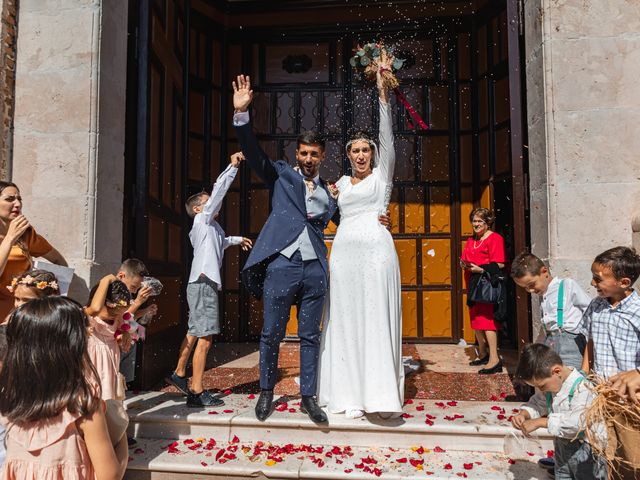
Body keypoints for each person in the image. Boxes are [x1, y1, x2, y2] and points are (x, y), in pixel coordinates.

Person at [233, 74, 343, 424]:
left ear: (322, 156)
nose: (309, 158)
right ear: (297, 154)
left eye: (314, 154)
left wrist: (376, 220)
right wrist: (242, 115)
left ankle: (308, 397)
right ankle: (267, 392)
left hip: (315, 270)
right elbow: (253, 154)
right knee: (272, 333)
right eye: (304, 153)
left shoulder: (329, 191)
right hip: (281, 264)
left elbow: (347, 220)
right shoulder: (281, 174)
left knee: (310, 335)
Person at [316, 58, 404, 419]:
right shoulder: (338, 186)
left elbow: (388, 135)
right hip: (344, 255)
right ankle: (347, 390)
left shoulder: (382, 176)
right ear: (348, 155)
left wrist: (383, 93)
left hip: (377, 250)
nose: (361, 155)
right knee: (345, 318)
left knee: (375, 317)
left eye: (366, 150)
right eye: (355, 151)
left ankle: (380, 395)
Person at [0, 296, 128, 479]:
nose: (89, 333)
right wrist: (121, 433)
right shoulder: (82, 406)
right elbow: (111, 475)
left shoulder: (11, 402)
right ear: (70, 347)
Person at [166, 152, 252, 408]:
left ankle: (179, 373)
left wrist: (237, 240)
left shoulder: (213, 229)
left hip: (202, 283)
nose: (213, 204)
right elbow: (218, 192)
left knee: (195, 332)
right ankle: (196, 390)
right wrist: (232, 167)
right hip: (204, 283)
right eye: (207, 202)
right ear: (197, 209)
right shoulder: (202, 221)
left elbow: (221, 244)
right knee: (206, 338)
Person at [581, 246, 640, 478]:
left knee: (634, 458)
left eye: (598, 278)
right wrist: (584, 374)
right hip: (602, 396)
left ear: (624, 282)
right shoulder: (597, 305)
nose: (593, 283)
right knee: (609, 455)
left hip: (630, 400)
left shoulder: (637, 311)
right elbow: (591, 341)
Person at [511, 343, 607, 480]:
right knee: (562, 475)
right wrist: (524, 414)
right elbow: (538, 402)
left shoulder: (583, 388)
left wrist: (540, 422)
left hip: (586, 454)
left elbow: (578, 422)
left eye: (542, 386)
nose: (542, 390)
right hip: (562, 450)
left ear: (556, 371)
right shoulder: (553, 386)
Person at [0, 269, 60, 468]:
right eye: (16, 299)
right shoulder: (7, 329)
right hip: (11, 406)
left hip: (47, 407)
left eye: (25, 300)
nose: (17, 305)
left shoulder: (57, 332)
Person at [511, 252, 590, 369]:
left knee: (572, 381)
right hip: (550, 344)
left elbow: (590, 310)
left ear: (544, 271)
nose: (530, 290)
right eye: (525, 288)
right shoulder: (543, 294)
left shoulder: (567, 285)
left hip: (571, 345)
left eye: (531, 284)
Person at [0, 181, 66, 319]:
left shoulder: (26, 234)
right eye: (10, 199)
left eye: (19, 199)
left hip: (24, 313)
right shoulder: (13, 235)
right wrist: (10, 238)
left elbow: (58, 260)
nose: (17, 204)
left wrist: (51, 290)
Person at [460, 207, 506, 374]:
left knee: (487, 322)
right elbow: (465, 257)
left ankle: (495, 359)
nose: (476, 224)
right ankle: (484, 352)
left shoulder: (495, 239)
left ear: (488, 223)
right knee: (476, 320)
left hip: (486, 284)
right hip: (472, 283)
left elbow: (500, 263)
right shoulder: (471, 240)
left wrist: (480, 269)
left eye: (480, 221)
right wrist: (464, 264)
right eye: (474, 221)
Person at [85, 276, 133, 402]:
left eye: (119, 314)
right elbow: (95, 309)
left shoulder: (117, 319)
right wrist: (106, 280)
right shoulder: (87, 318)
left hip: (110, 370)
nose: (116, 317)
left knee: (109, 400)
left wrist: (124, 332)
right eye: (113, 313)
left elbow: (122, 325)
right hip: (91, 371)